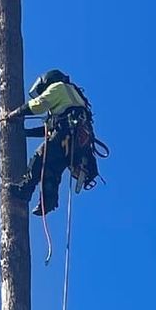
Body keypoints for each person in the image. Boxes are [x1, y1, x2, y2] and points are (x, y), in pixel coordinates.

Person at [21, 73, 104, 215]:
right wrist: (25, 133)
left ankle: (24, 190)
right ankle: (48, 202)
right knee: (51, 169)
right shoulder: (73, 99)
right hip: (75, 140)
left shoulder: (58, 87)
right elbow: (49, 129)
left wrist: (16, 113)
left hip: (67, 132)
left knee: (40, 157)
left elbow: (38, 104)